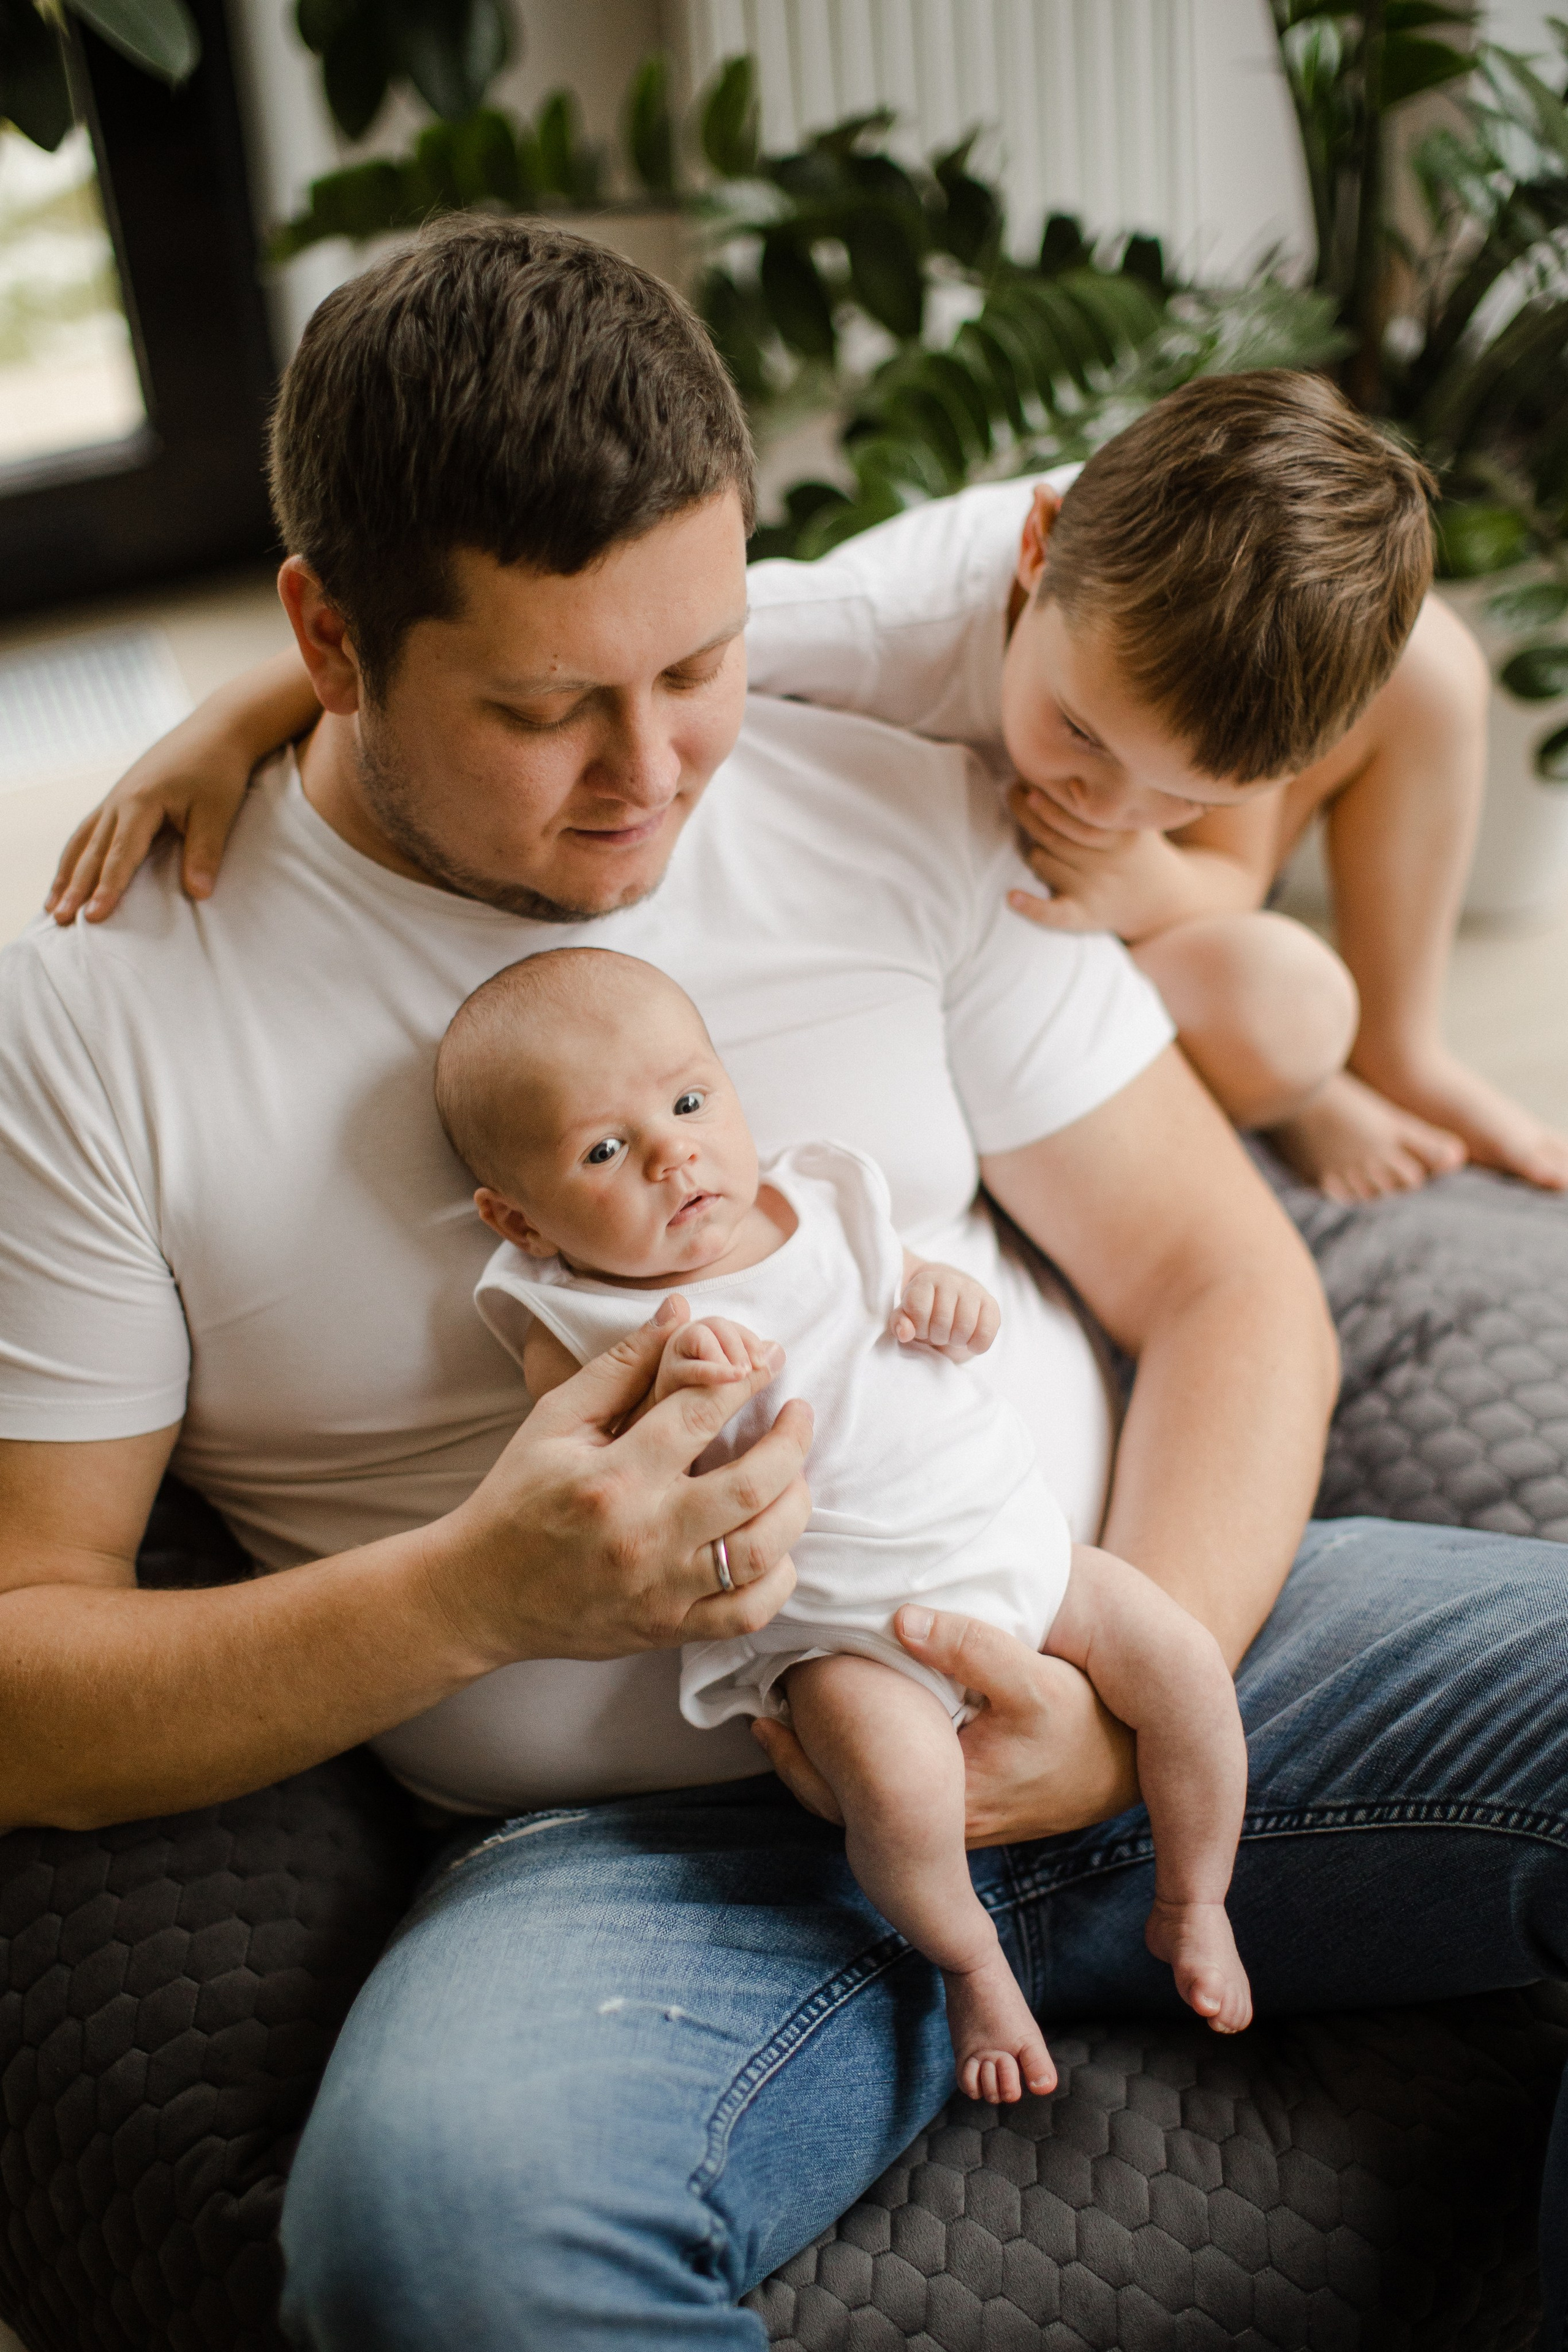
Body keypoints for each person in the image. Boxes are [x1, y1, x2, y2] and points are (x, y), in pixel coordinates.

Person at [1, 219, 1566, 2350]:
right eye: (550, 709)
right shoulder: (105, 1025)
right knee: (435, 2242)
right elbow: (27, 1691)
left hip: (1130, 1631)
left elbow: (1227, 1285)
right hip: (657, 1871)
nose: (657, 777)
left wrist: (1118, 1698)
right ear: (329, 638)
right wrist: (476, 1595)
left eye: (703, 663)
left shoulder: (889, 793)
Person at [48, 379, 1568, 1208]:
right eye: (1080, 740)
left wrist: (1151, 873)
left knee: (1421, 694)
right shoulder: (843, 630)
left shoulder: (1151, 750)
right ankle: (1309, 1081)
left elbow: (1213, 861)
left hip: (1067, 906)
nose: (1112, 791)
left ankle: (1397, 1045)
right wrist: (225, 719)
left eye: (1185, 787)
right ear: (1031, 555)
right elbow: (563, 655)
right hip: (986, 900)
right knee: (1273, 1011)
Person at [437, 945, 1253, 2101]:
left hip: (1015, 1551)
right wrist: (666, 1388)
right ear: (516, 1216)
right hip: (842, 1633)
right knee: (899, 1788)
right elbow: (587, 1474)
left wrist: (944, 1300)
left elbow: (917, 1295)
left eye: (687, 1102)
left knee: (1181, 1663)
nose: (675, 1154)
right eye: (607, 1151)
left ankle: (1196, 1897)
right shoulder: (563, 1315)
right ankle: (972, 1969)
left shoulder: (824, 1197)